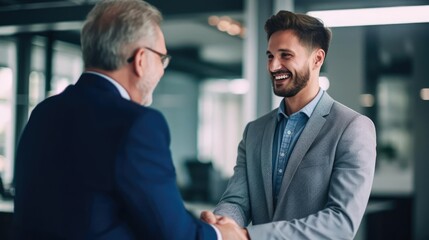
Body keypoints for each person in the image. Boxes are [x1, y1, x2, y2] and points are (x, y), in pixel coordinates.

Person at [13, 0, 248, 239]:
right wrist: (221, 234)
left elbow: (113, 208)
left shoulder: (43, 113)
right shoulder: (137, 124)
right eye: (162, 59)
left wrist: (186, 218)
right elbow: (173, 235)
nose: (162, 69)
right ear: (141, 59)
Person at [201, 10, 376, 239]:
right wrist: (219, 226)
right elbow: (237, 201)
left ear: (317, 59)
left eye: (285, 55)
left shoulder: (352, 128)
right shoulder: (255, 131)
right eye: (270, 56)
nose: (273, 66)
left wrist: (247, 236)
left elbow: (340, 222)